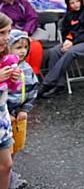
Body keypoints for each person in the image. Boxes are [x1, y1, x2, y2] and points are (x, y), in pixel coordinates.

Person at [39, 0, 84, 98]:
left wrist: (72, 41)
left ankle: (47, 83)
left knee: (70, 52)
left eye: (77, 1)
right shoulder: (68, 16)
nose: (75, 4)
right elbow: (65, 32)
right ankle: (59, 85)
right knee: (54, 51)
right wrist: (68, 40)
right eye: (72, 3)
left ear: (81, 1)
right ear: (68, 4)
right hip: (71, 42)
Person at [6, 31, 36, 189]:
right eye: (18, 47)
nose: (23, 50)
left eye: (25, 47)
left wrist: (25, 109)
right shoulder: (5, 68)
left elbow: (32, 90)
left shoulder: (27, 69)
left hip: (19, 114)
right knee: (5, 147)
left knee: (16, 145)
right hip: (5, 113)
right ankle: (8, 177)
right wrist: (6, 113)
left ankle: (10, 173)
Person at [0, 0, 46, 76]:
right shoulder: (1, 6)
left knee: (35, 46)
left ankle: (32, 74)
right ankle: (17, 73)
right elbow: (3, 24)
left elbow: (33, 17)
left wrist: (26, 31)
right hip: (8, 34)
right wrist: (18, 34)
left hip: (26, 31)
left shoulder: (23, 3)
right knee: (18, 47)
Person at [0, 13, 20, 189]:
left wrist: (13, 79)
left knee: (7, 166)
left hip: (1, 120)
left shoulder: (5, 56)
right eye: (1, 33)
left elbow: (11, 89)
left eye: (7, 32)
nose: (6, 38)